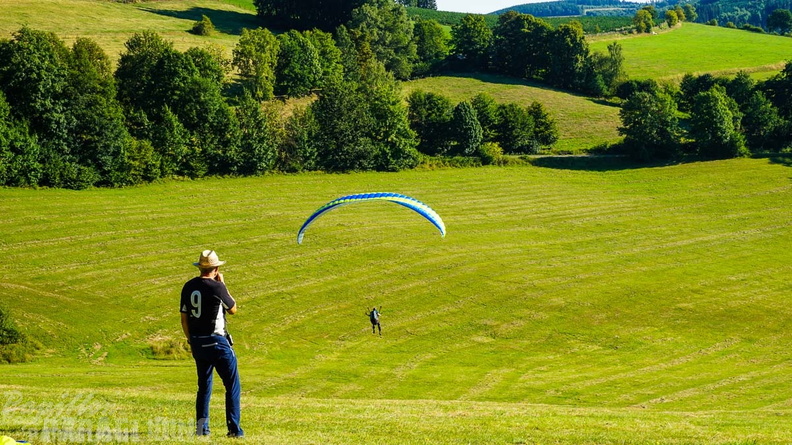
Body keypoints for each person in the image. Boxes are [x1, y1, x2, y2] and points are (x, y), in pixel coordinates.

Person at [180, 250, 244, 438]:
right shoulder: (217, 287)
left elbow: (184, 319)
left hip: (198, 342)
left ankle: (202, 429)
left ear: (200, 268)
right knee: (232, 385)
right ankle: (234, 430)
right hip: (217, 342)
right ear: (216, 269)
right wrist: (222, 284)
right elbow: (232, 309)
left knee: (204, 386)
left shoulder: (188, 286)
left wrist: (191, 341)